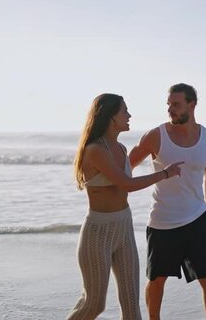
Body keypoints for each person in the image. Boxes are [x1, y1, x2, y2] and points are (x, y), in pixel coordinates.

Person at [68, 93, 183, 320]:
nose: (129, 115)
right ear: (111, 116)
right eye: (124, 111)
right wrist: (165, 173)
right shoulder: (95, 150)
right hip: (97, 233)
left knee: (131, 305)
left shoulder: (120, 149)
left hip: (123, 227)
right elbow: (127, 184)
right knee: (93, 304)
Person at [129, 83, 206, 320]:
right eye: (169, 104)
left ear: (192, 105)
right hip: (163, 222)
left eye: (176, 104)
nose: (170, 110)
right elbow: (125, 168)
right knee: (157, 281)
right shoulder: (155, 136)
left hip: (198, 220)